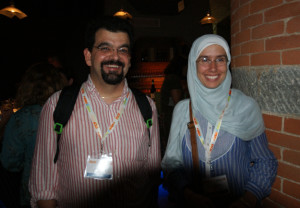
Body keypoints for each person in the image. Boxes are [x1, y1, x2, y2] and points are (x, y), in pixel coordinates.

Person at [29, 16, 161, 208]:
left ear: (130, 60)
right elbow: (44, 186)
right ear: (88, 56)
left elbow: (152, 176)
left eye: (122, 50)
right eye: (105, 48)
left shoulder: (147, 108)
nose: (115, 57)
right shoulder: (57, 105)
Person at [161, 34, 277, 208]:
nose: (213, 68)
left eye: (220, 59)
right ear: (194, 65)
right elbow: (171, 164)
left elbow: (265, 161)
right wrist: (188, 194)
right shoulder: (183, 110)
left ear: (228, 63)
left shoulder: (246, 107)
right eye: (205, 59)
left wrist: (248, 199)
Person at [0, 63, 68, 208]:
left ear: (26, 87)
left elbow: (10, 163)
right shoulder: (70, 112)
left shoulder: (21, 118)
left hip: (33, 196)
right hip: (68, 192)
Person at [160, 53, 187, 155]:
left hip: (169, 115)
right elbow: (177, 102)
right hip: (172, 117)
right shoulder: (173, 79)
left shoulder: (169, 78)